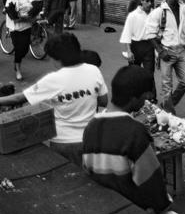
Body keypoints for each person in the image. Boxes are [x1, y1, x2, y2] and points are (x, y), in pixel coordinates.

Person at [82, 65, 185, 214]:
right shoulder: (135, 132)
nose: (147, 101)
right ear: (134, 98)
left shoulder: (91, 126)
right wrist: (163, 206)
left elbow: (88, 169)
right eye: (145, 96)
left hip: (103, 202)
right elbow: (150, 181)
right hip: (131, 206)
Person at [0, 33, 108, 166]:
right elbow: (103, 101)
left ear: (57, 59)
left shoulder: (53, 80)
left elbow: (18, 98)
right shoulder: (94, 70)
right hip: (92, 139)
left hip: (64, 143)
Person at [144, 0, 185, 114]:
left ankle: (169, 104)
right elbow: (150, 34)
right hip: (166, 51)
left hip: (182, 51)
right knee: (167, 86)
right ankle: (169, 114)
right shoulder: (158, 12)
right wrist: (161, 52)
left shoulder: (184, 10)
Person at [120, 0, 157, 101]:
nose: (150, 4)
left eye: (152, 1)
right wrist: (129, 51)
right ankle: (134, 97)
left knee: (149, 74)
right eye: (147, 1)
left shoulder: (154, 14)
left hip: (149, 46)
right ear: (141, 1)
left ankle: (151, 98)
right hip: (135, 46)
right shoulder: (133, 15)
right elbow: (127, 34)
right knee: (134, 74)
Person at [4, 0, 35, 81]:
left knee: (25, 49)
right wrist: (9, 12)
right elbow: (8, 10)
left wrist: (33, 12)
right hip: (15, 29)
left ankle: (17, 62)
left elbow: (36, 5)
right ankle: (18, 69)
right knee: (18, 49)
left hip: (26, 26)